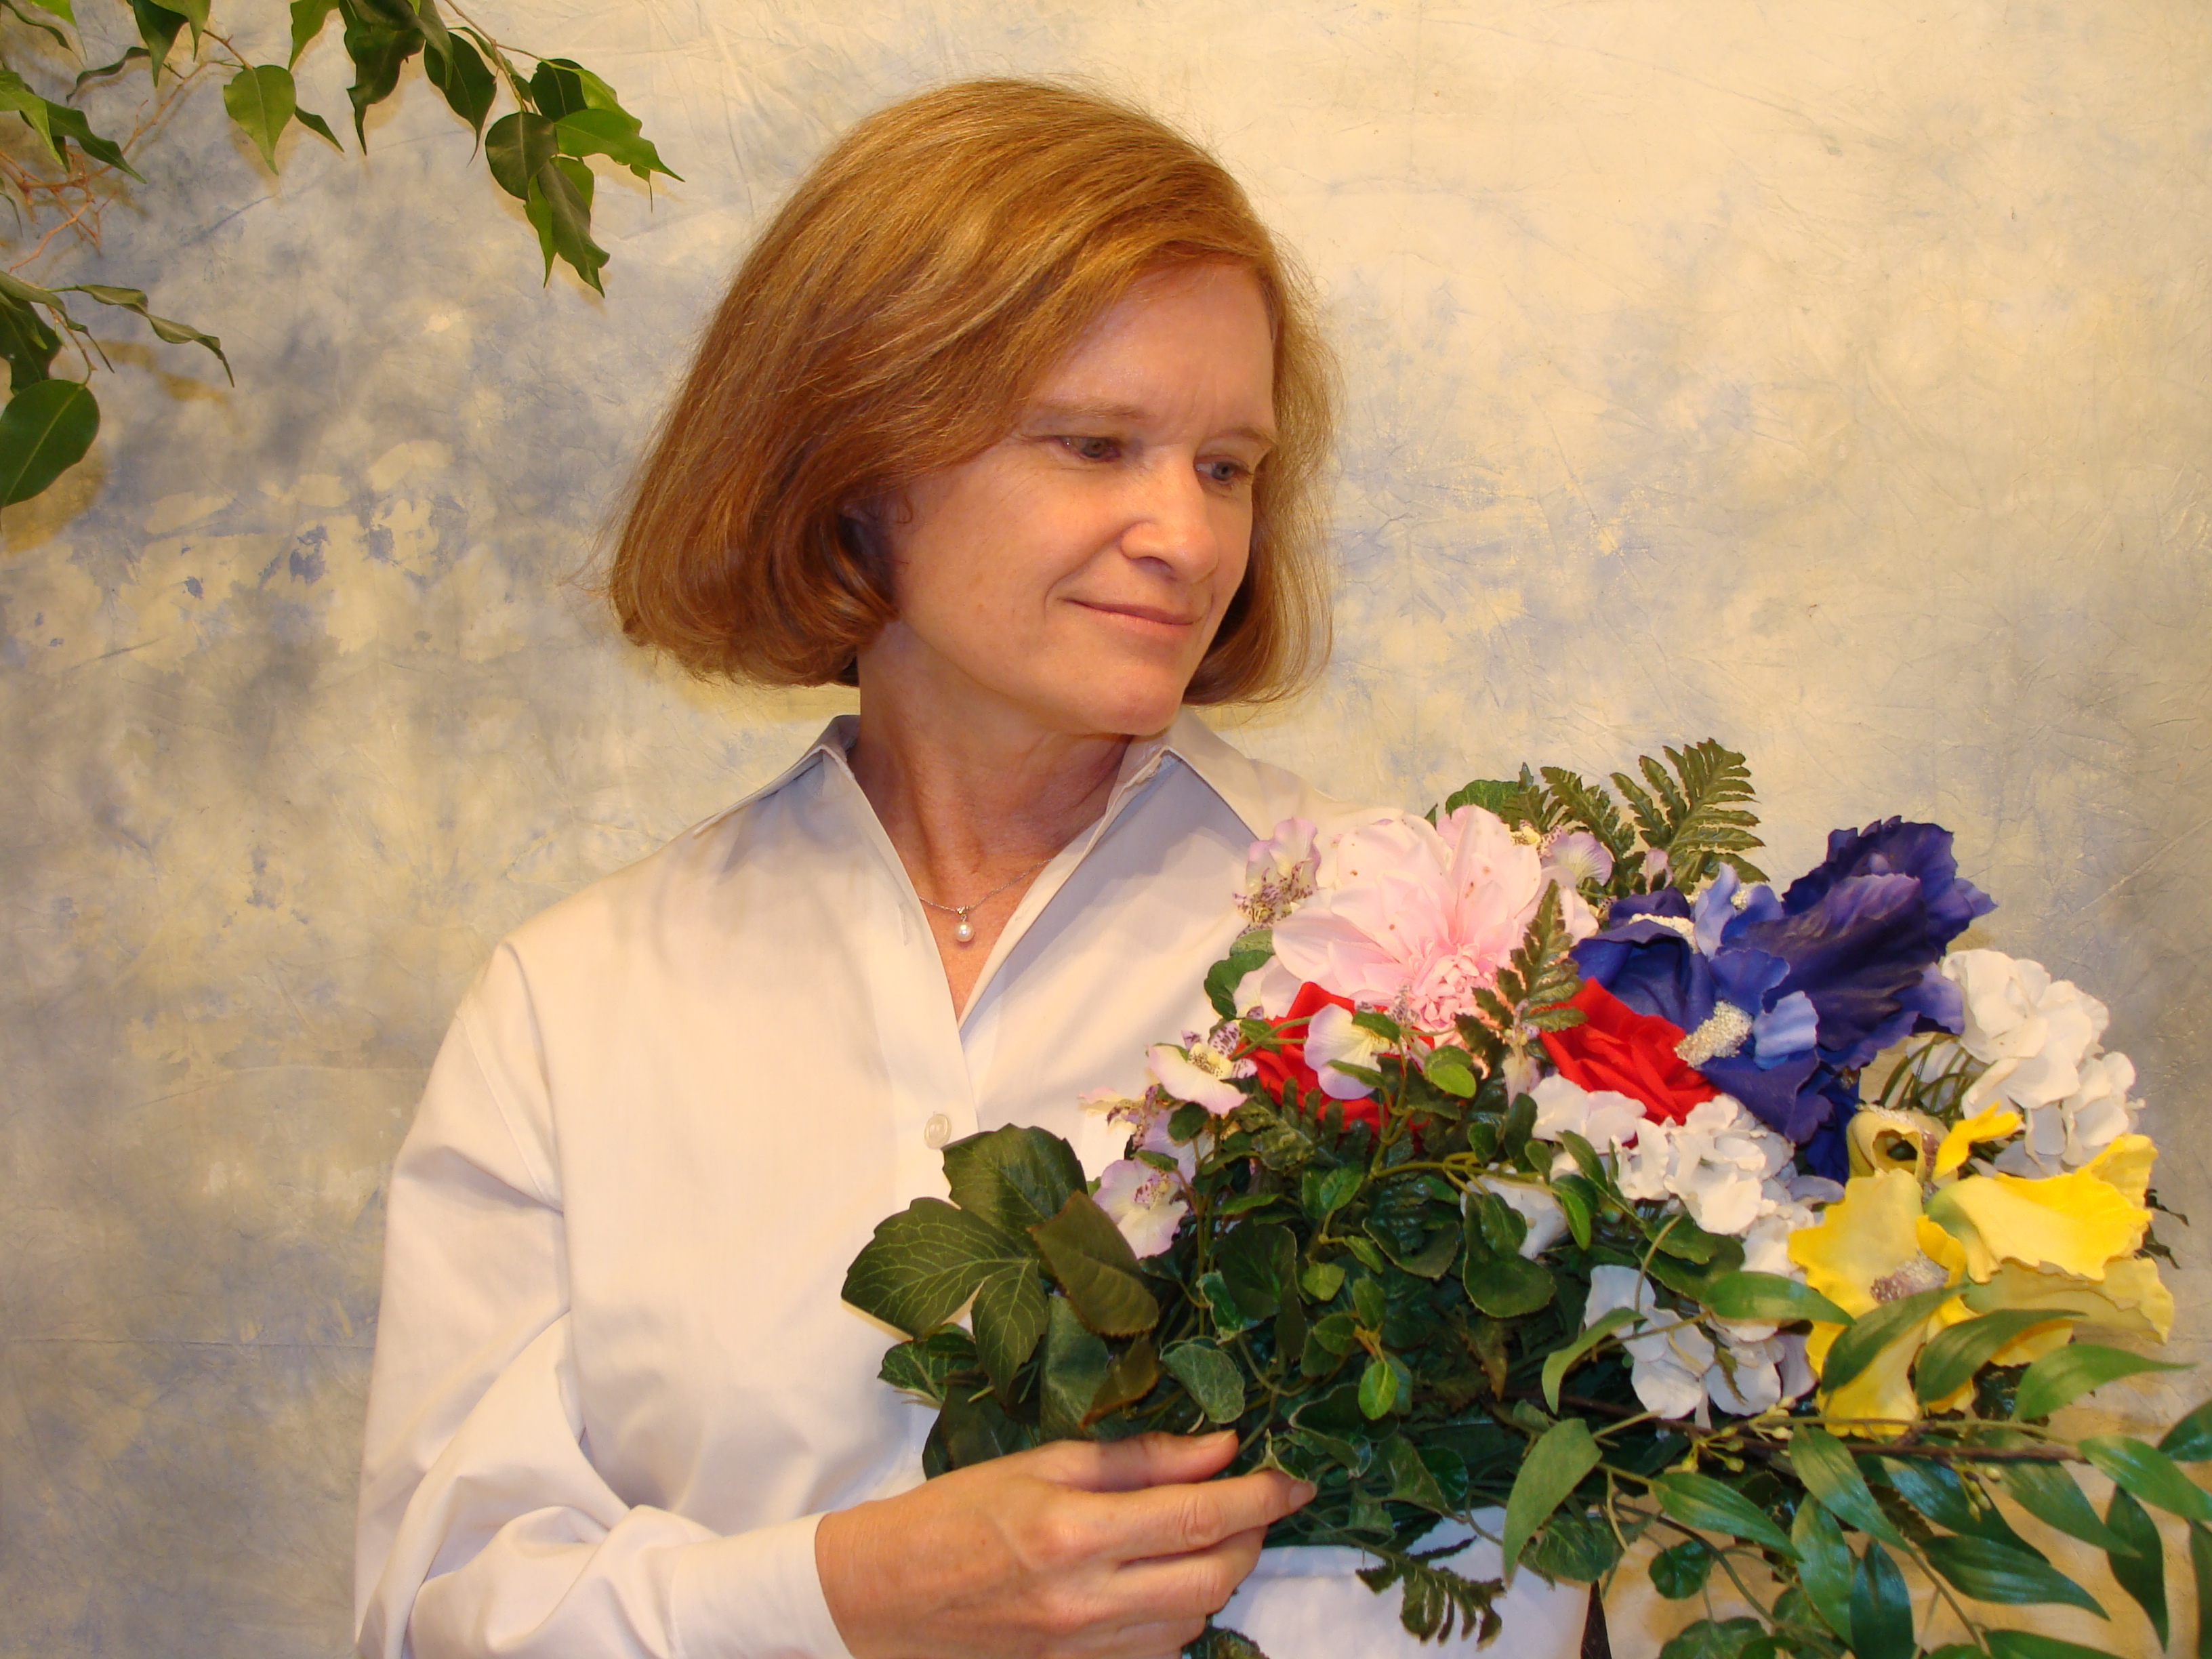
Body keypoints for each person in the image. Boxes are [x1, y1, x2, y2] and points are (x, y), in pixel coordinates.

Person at [352, 79, 1588, 1659]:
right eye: (1096, 445)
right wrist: (843, 1597)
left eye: (1226, 466)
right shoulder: (576, 1009)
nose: (1188, 538)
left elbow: (1528, 1568)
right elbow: (445, 1610)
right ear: (857, 459)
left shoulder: (1440, 958)